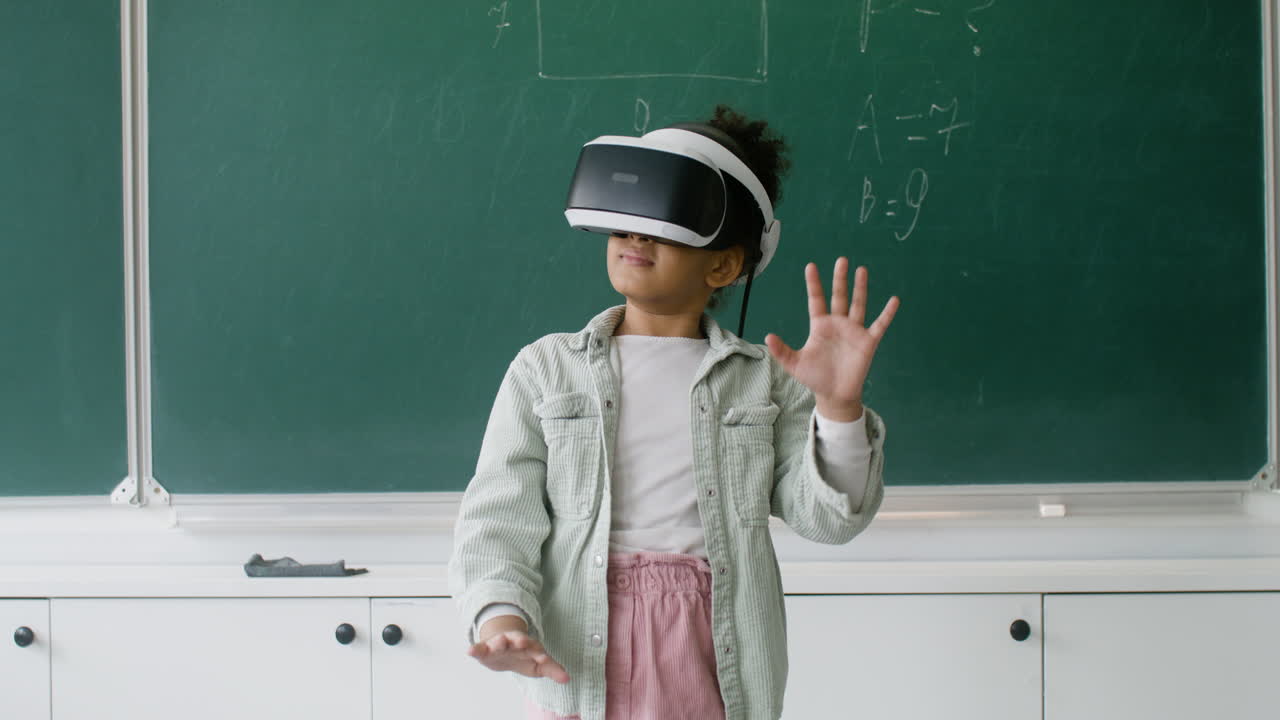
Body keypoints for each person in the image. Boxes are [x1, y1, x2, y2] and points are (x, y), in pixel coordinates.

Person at [448, 105, 899, 720]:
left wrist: (838, 407)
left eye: (665, 225)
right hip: (581, 648)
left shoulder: (762, 382)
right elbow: (499, 517)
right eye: (625, 223)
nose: (635, 236)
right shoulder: (545, 370)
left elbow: (828, 520)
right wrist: (502, 617)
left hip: (713, 648)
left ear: (723, 264)